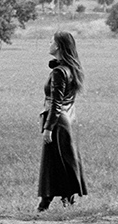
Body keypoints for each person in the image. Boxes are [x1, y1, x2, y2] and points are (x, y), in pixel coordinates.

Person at [37, 30, 88, 211]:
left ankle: (44, 205)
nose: (49, 44)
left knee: (51, 163)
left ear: (58, 46)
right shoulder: (70, 69)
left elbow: (56, 103)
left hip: (57, 122)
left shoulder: (59, 72)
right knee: (65, 160)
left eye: (51, 41)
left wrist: (48, 128)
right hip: (67, 120)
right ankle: (68, 200)